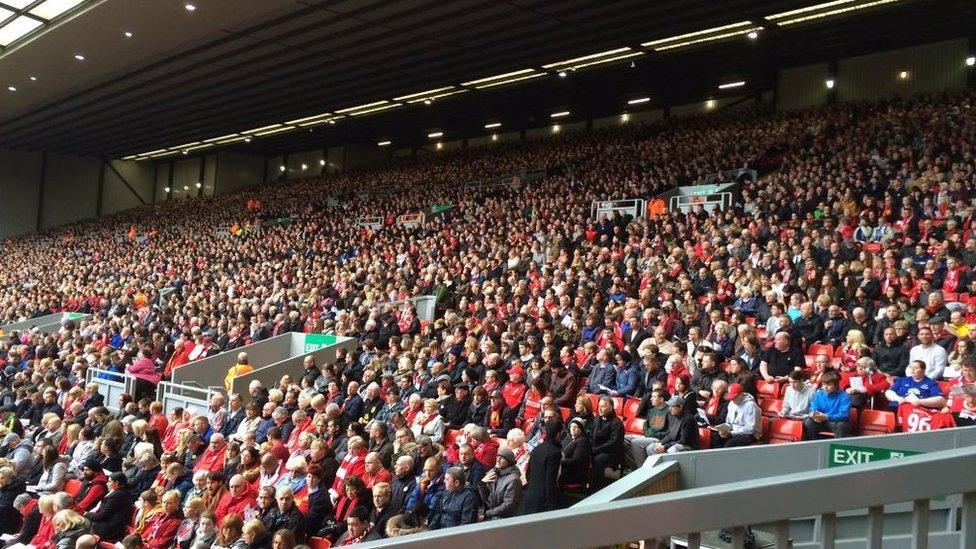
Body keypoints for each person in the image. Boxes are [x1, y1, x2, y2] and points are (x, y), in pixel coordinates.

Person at [520, 422, 561, 513]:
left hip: (529, 496)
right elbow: (550, 479)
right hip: (542, 501)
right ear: (558, 434)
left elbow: (528, 472)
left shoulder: (536, 449)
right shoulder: (555, 452)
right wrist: (550, 502)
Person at [623, 388, 669, 469]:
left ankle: (642, 470)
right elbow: (645, 426)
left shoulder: (668, 411)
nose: (651, 399)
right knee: (624, 439)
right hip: (648, 436)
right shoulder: (652, 410)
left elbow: (669, 431)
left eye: (654, 397)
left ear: (661, 399)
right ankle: (634, 467)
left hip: (659, 439)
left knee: (635, 442)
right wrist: (647, 433)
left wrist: (652, 434)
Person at [803, 372, 853, 439]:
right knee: (808, 422)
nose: (825, 387)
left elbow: (844, 415)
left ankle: (838, 447)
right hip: (821, 421)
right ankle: (811, 444)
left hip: (836, 422)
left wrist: (827, 416)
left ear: (836, 385)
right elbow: (813, 408)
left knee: (841, 425)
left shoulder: (844, 397)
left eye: (829, 385)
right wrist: (816, 415)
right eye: (823, 384)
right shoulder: (819, 394)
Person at [86, 471, 132, 542]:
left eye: (110, 482)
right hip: (108, 523)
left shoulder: (117, 496)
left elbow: (102, 515)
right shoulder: (120, 492)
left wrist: (87, 514)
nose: (107, 484)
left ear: (116, 483)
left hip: (110, 528)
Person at [710, 383, 759, 448]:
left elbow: (750, 429)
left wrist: (731, 433)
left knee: (730, 444)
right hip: (733, 431)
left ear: (741, 394)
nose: (733, 400)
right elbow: (729, 422)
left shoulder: (751, 405)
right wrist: (721, 429)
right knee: (715, 437)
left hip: (750, 434)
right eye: (731, 398)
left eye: (735, 397)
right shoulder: (731, 404)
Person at [589, 396, 624, 488]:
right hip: (596, 449)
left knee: (597, 460)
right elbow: (591, 435)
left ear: (611, 408)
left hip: (611, 453)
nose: (599, 409)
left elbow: (613, 443)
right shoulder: (597, 419)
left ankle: (597, 487)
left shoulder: (616, 423)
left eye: (603, 406)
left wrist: (596, 450)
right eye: (599, 406)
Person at [478, 448, 522, 520]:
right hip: (492, 515)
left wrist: (486, 514)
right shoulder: (494, 473)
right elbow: (487, 500)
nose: (498, 460)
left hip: (505, 519)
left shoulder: (514, 479)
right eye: (497, 457)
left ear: (509, 461)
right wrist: (482, 484)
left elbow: (508, 506)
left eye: (501, 458)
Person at [559, 417, 592, 487]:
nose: (573, 429)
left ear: (581, 430)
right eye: (571, 426)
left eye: (576, 427)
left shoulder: (582, 442)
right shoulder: (567, 438)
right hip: (564, 466)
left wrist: (560, 461)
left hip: (574, 472)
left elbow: (575, 461)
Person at [0, 466, 26, 534]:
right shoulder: (6, 487)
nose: (0, 480)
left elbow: (3, 509)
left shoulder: (14, 490)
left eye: (2, 478)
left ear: (9, 479)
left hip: (7, 522)